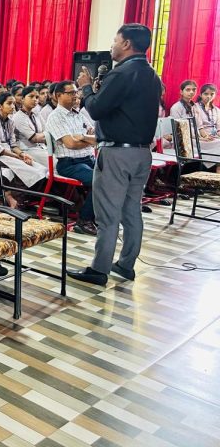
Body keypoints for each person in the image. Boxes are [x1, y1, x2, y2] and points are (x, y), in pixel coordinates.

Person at [66, 25, 162, 285]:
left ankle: (99, 270)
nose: (112, 45)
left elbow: (96, 109)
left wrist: (87, 88)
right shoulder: (152, 75)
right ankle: (126, 264)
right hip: (141, 153)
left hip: (117, 153)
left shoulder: (121, 73)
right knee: (131, 210)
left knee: (107, 214)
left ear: (127, 43)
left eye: (115, 40)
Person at [45, 81, 98, 235]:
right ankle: (84, 221)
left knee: (114, 176)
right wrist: (88, 140)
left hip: (88, 159)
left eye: (76, 92)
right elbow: (71, 144)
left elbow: (98, 138)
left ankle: (100, 217)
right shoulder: (55, 117)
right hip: (70, 164)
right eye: (71, 93)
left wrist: (83, 137)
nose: (76, 96)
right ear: (58, 95)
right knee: (100, 181)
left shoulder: (78, 114)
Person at [0, 92, 47, 208]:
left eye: (13, 103)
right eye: (9, 103)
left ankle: (23, 198)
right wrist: (18, 157)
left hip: (9, 154)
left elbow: (13, 145)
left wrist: (23, 154)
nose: (13, 106)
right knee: (29, 170)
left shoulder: (11, 122)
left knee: (40, 169)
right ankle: (15, 199)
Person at [13, 85, 48, 166]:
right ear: (22, 99)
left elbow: (47, 130)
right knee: (56, 163)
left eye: (37, 97)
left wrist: (46, 134)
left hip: (42, 147)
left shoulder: (36, 114)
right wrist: (47, 135)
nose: (35, 99)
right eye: (31, 96)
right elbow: (34, 138)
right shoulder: (18, 117)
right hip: (28, 150)